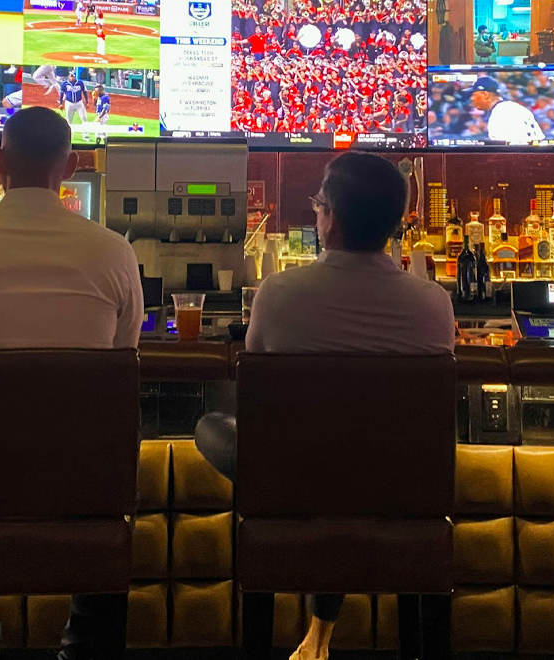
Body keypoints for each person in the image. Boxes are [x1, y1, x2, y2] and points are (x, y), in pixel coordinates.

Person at [193, 152, 454, 660]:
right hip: (402, 491)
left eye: (317, 206)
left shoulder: (279, 294)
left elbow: (260, 385)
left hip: (292, 487)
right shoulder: (433, 304)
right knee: (350, 461)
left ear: (329, 216)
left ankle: (311, 631)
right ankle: (321, 635)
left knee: (210, 425)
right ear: (395, 223)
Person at [0, 106, 143, 660]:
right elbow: (121, 360)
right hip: (86, 487)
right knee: (104, 459)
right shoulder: (113, 251)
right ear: (72, 165)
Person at [467, 76, 545, 144]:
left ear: (485, 95)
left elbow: (504, 150)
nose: (472, 98)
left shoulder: (499, 113)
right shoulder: (515, 107)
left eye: (474, 95)